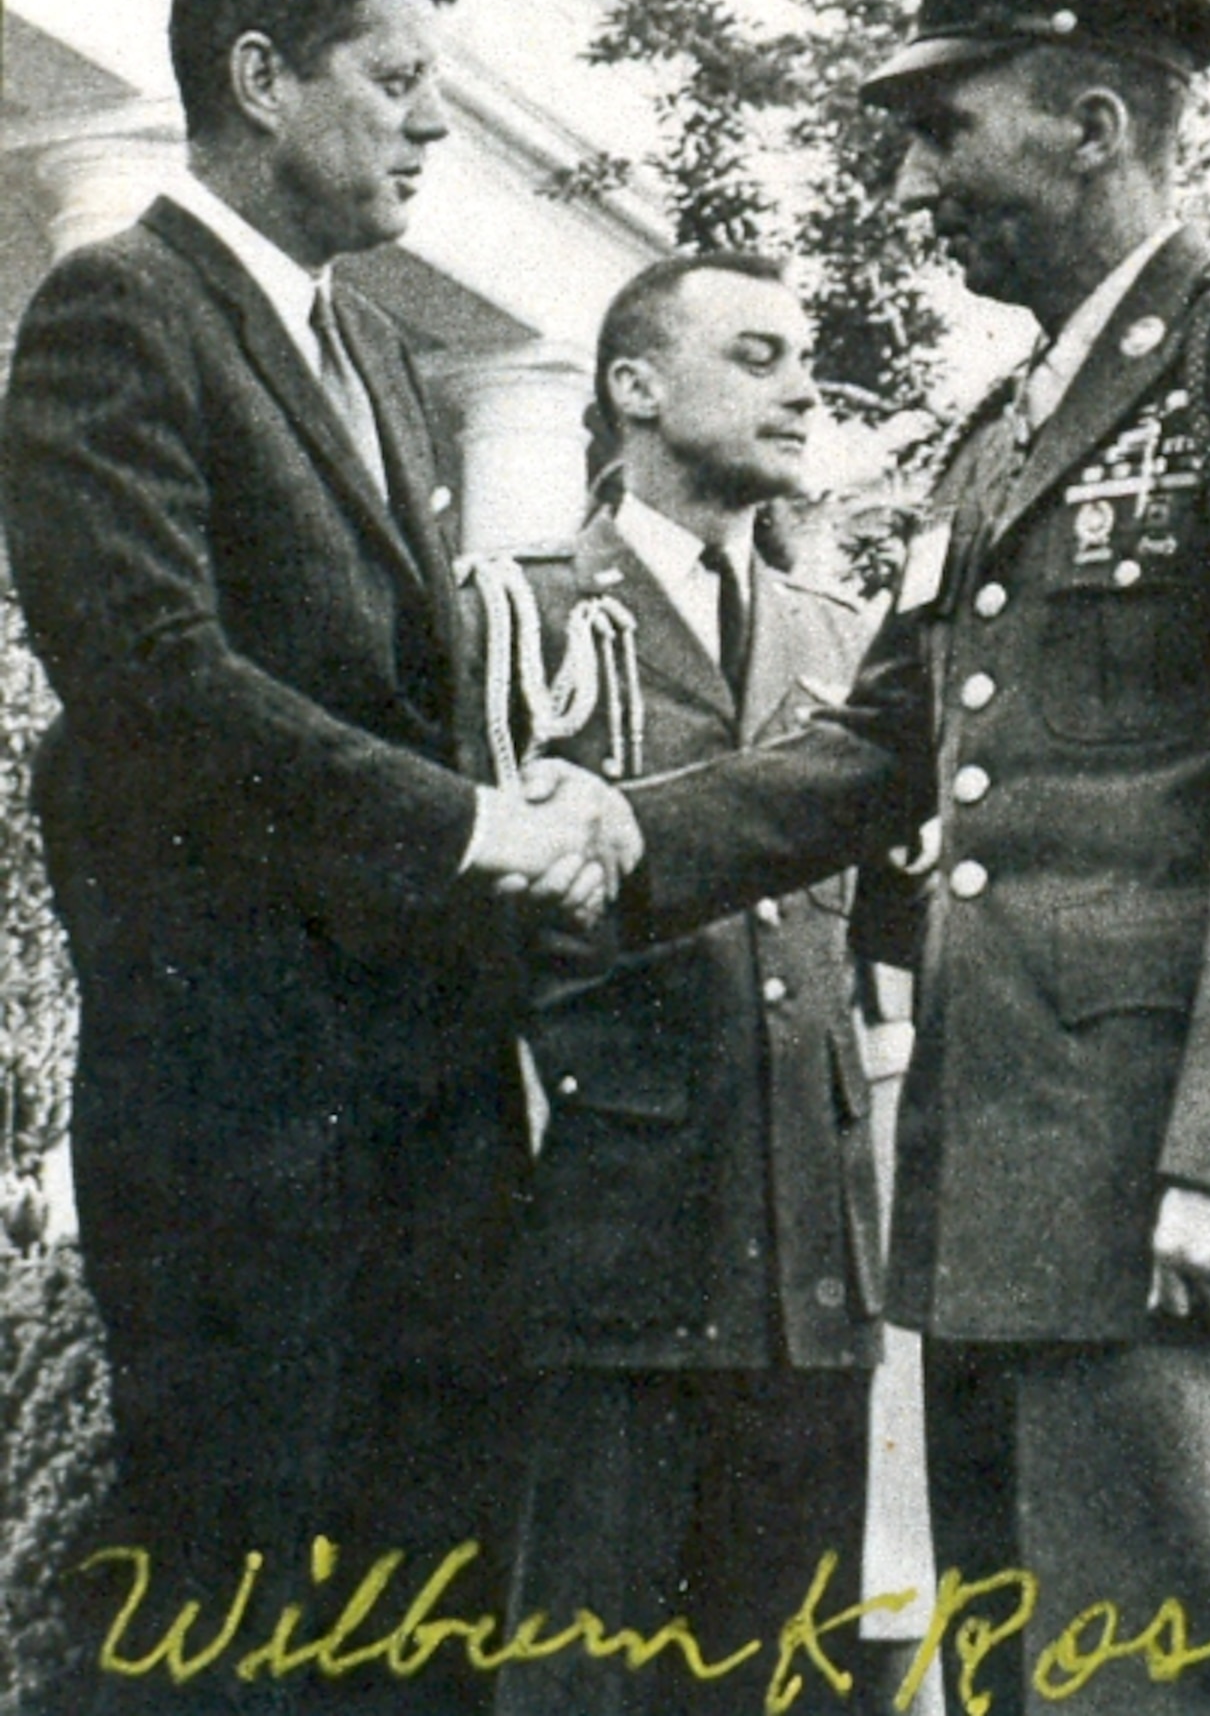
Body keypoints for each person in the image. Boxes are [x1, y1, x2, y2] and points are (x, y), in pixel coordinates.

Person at [619, 0, 1210, 1715]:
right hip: (1002, 1216)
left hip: (1176, 1208)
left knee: (1159, 1695)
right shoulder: (1000, 438)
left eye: (941, 129)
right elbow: (879, 748)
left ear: (1095, 120)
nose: (911, 194)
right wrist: (623, 839)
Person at [1, 0, 638, 1715]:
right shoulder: (119, 310)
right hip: (241, 1122)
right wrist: (469, 830)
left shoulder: (370, 351)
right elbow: (157, 685)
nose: (435, 119)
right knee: (247, 1615)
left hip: (419, 1109)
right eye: (398, 75)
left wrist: (518, 793)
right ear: (262, 75)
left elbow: (385, 698)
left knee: (425, 1612)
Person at [476, 252, 892, 1716]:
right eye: (759, 355)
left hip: (813, 1277)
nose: (802, 388)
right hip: (608, 1262)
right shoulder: (517, 619)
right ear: (634, 388)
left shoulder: (847, 644)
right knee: (582, 1686)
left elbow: (889, 943)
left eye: (809, 359)